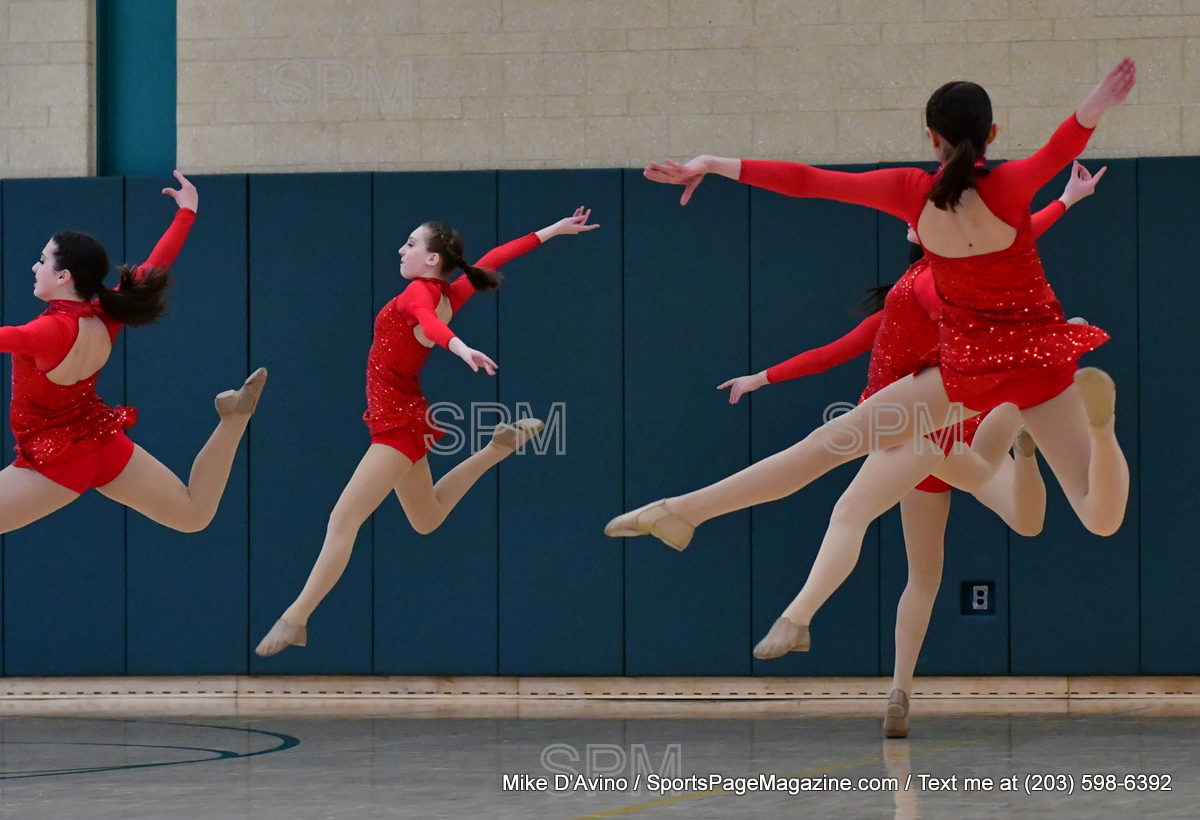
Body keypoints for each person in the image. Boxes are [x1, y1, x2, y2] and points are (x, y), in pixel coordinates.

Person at [609, 60, 1135, 561]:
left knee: (823, 448)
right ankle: (1102, 428)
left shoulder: (909, 192)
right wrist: (1097, 103)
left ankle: (683, 511)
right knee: (1099, 516)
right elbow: (1064, 143)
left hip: (967, 373)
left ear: (931, 137)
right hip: (1039, 364)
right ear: (993, 134)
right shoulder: (1012, 187)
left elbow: (806, 181)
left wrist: (713, 163)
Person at [730, 164, 1105, 737]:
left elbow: (834, 352)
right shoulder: (938, 292)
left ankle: (889, 683)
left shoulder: (934, 292)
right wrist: (1067, 201)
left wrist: (763, 377)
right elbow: (1016, 234)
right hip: (944, 439)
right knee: (957, 548)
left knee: (907, 554)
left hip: (925, 437)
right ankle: (896, 691)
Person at [256, 208, 600, 657]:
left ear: (433, 259)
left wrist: (460, 347)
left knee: (343, 520)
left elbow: (426, 320)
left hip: (397, 423)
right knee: (427, 518)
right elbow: (495, 256)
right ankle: (496, 450)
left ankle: (296, 617)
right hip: (401, 413)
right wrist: (553, 230)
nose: (401, 250)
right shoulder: (450, 294)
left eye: (411, 243)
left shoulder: (420, 293)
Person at [0, 171, 267, 534]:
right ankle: (234, 419)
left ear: (63, 276)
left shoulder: (50, 331)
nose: (35, 266)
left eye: (43, 260)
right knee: (193, 514)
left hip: (59, 460)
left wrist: (187, 211)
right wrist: (186, 212)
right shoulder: (105, 314)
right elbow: (156, 264)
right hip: (103, 445)